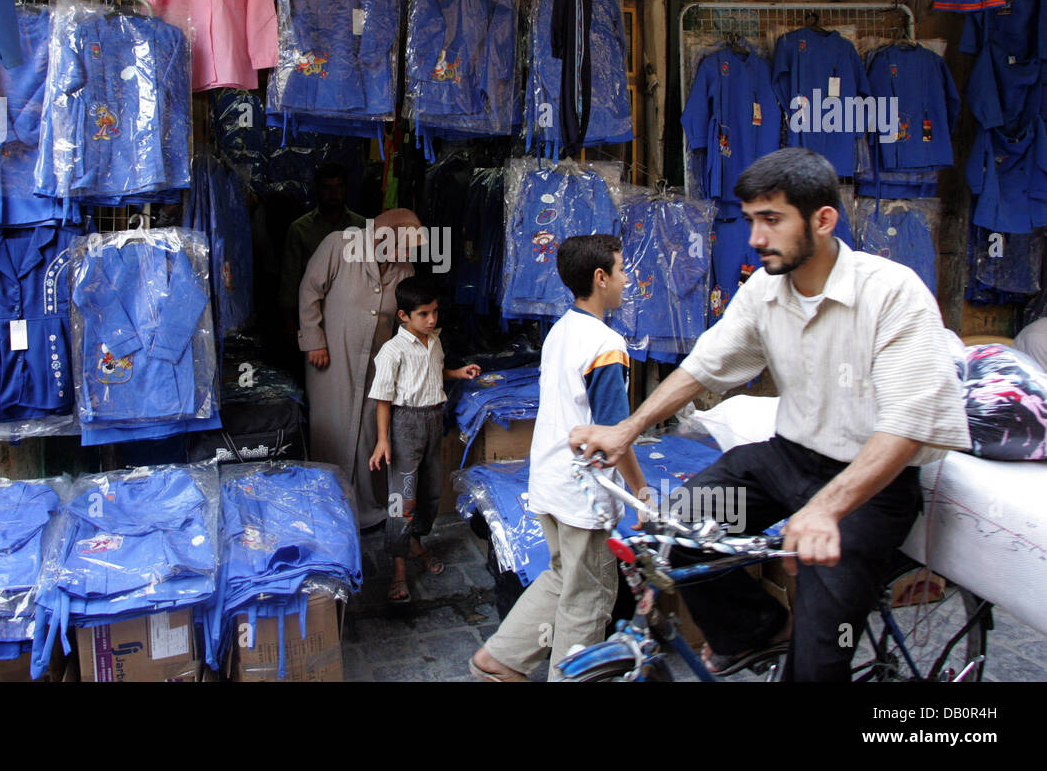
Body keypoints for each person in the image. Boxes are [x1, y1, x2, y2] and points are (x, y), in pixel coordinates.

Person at [570, 148, 971, 682]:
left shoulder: (893, 294)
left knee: (817, 658)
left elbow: (907, 426)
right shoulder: (765, 289)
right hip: (786, 460)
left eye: (772, 219)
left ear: (823, 220)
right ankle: (756, 632)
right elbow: (705, 367)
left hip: (869, 486)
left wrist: (826, 509)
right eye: (752, 219)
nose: (756, 237)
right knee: (678, 533)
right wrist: (628, 429)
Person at [470, 234, 649, 681]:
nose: (628, 279)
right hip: (582, 495)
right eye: (622, 270)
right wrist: (641, 492)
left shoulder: (560, 331)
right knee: (589, 598)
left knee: (561, 576)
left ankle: (499, 660)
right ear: (600, 277)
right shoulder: (606, 344)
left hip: (549, 482)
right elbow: (613, 439)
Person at [297, 208, 422, 529]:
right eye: (404, 245)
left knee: (370, 430)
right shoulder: (338, 245)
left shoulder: (403, 267)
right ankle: (329, 510)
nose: (408, 253)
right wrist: (313, 340)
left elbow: (404, 317)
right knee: (332, 427)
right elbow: (310, 291)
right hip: (332, 357)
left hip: (377, 362)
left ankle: (367, 508)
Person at [368, 276, 481, 604]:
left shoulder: (434, 340)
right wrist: (382, 440)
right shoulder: (392, 351)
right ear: (403, 315)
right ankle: (399, 566)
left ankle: (415, 543)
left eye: (435, 312)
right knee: (400, 497)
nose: (432, 319)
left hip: (433, 419)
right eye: (424, 314)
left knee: (431, 491)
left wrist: (457, 374)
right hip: (405, 423)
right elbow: (383, 399)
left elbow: (433, 372)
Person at [279, 162, 365, 332]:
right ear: (317, 189)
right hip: (313, 313)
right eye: (327, 188)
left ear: (346, 189)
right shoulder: (300, 229)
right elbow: (290, 279)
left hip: (353, 313)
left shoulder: (362, 226)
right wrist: (290, 324)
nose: (334, 193)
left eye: (339, 187)